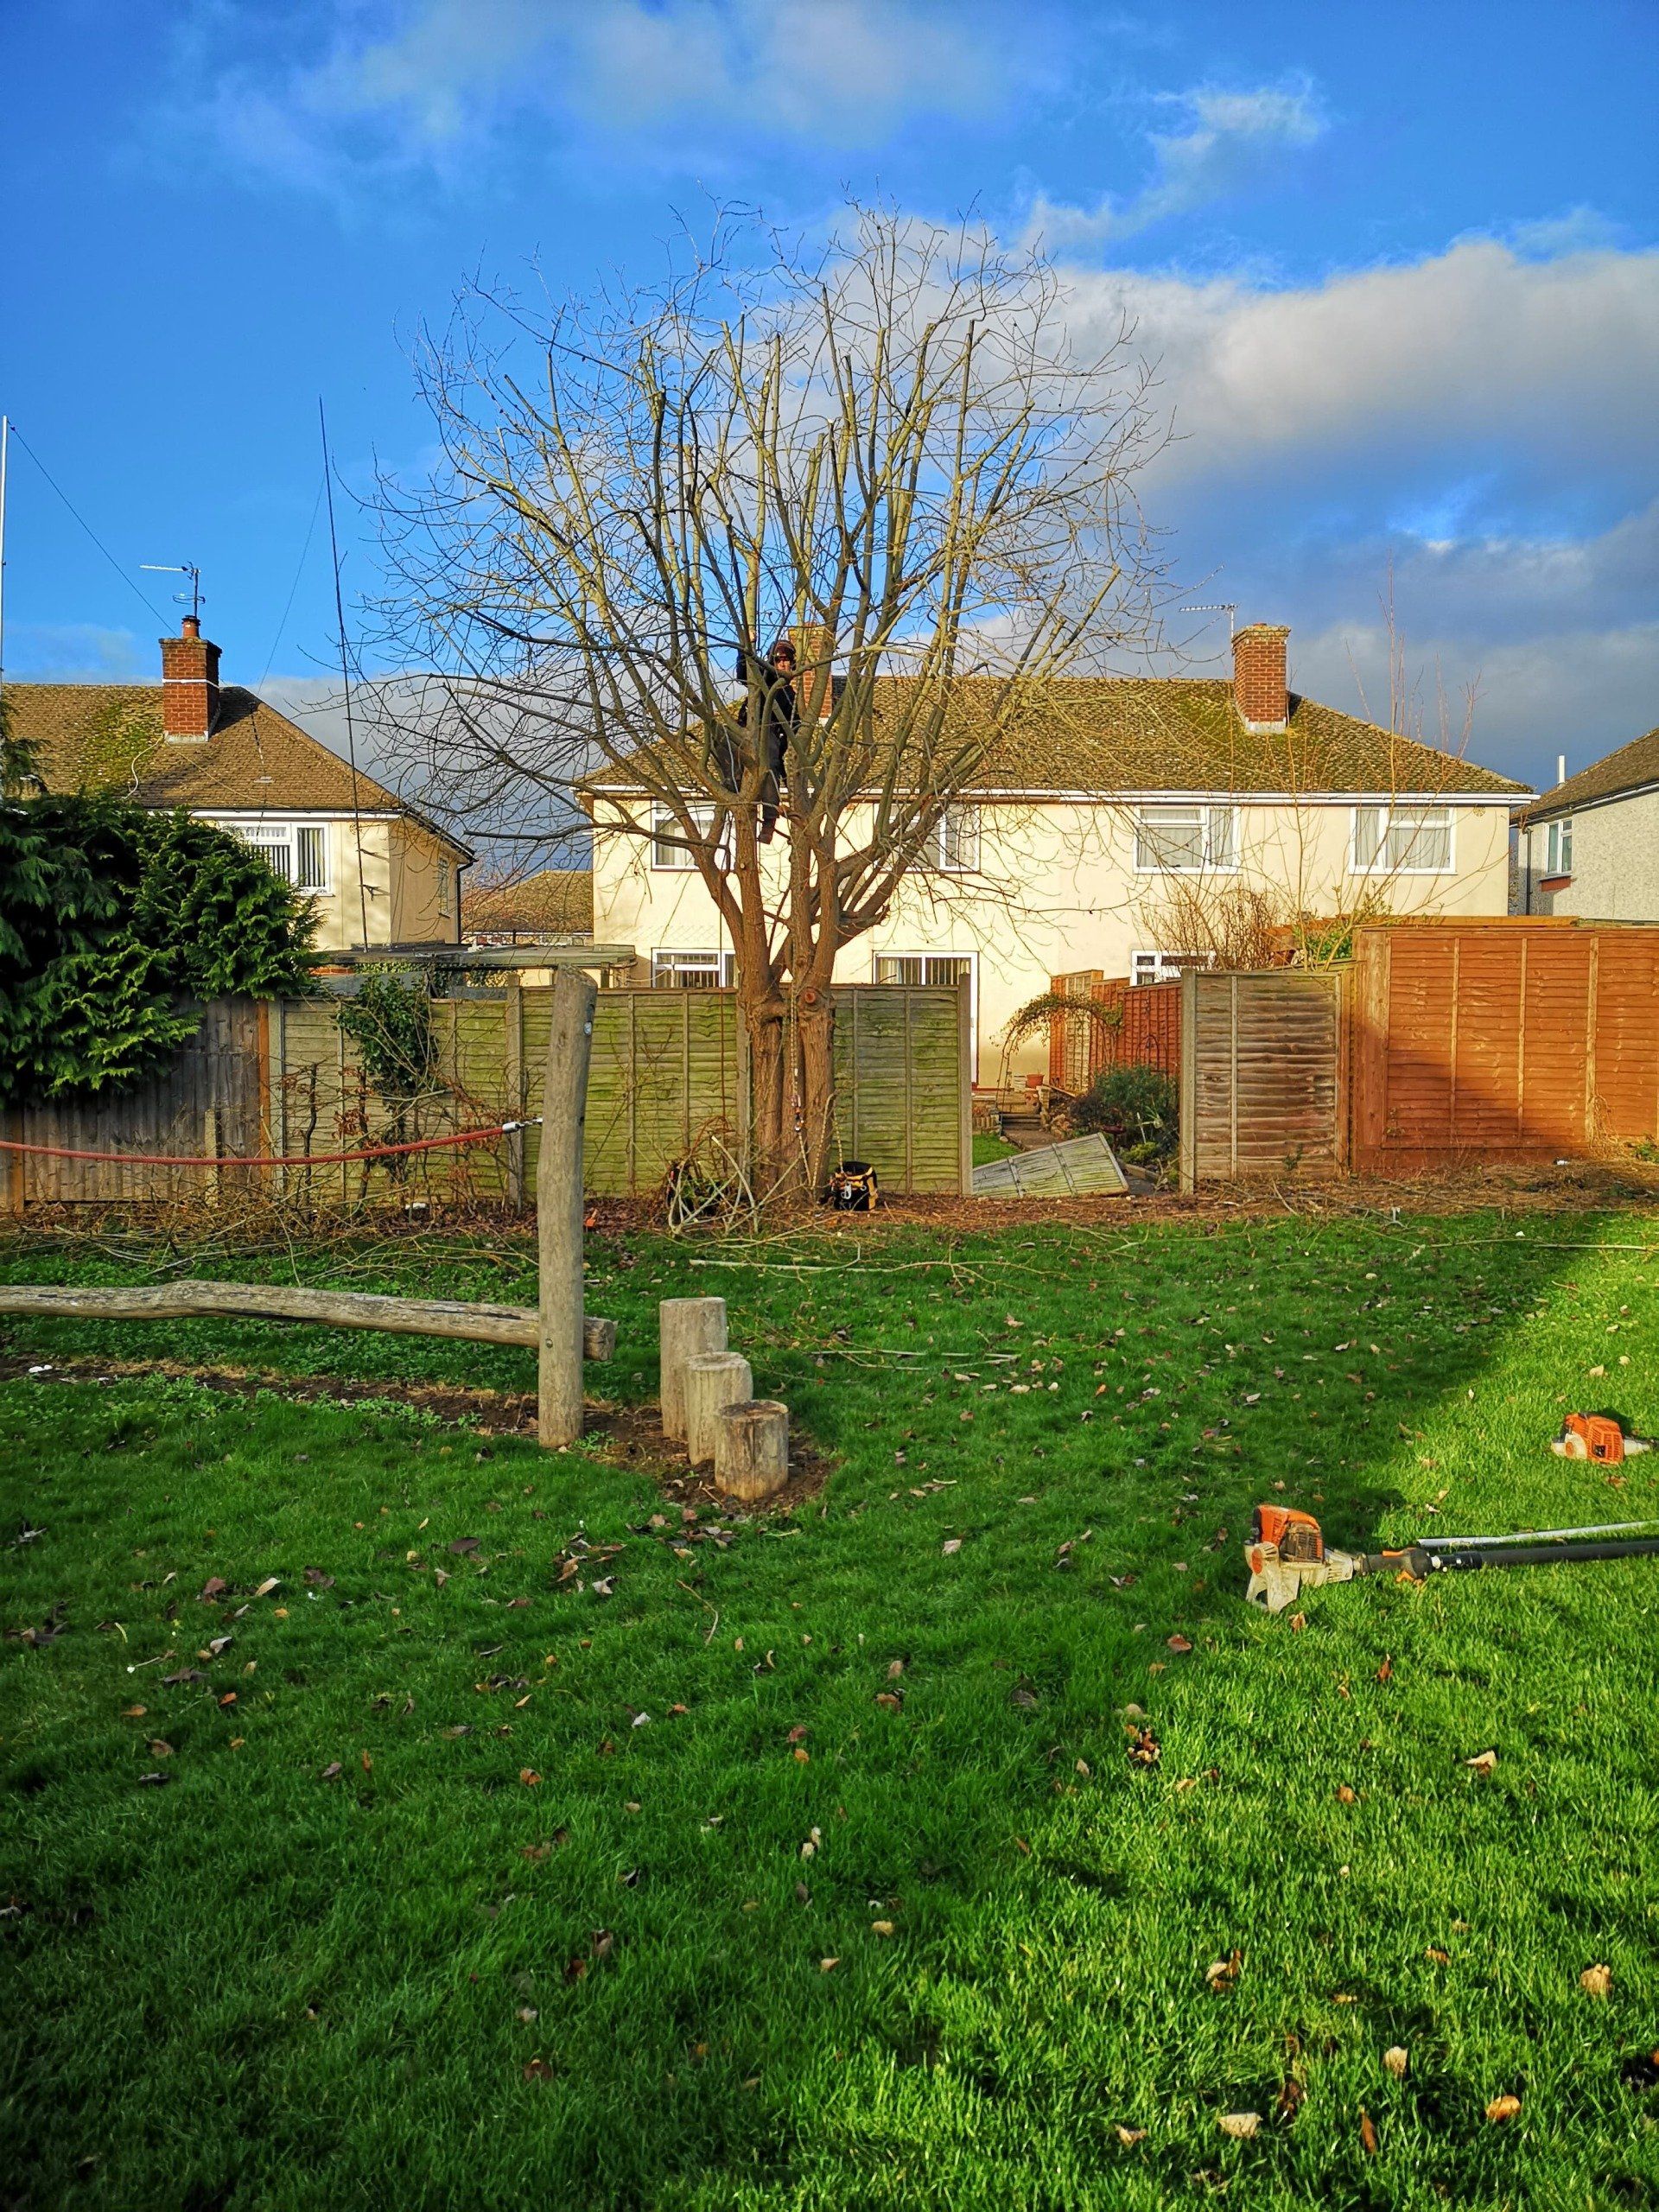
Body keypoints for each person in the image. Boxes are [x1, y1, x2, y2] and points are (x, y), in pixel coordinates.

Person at [727, 637, 797, 843]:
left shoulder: (789, 695)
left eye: (787, 660)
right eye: (779, 660)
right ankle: (732, 782)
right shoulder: (764, 677)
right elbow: (744, 673)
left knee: (770, 766)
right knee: (722, 738)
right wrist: (745, 647)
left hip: (770, 737)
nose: (783, 664)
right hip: (746, 730)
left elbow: (796, 725)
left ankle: (769, 821)